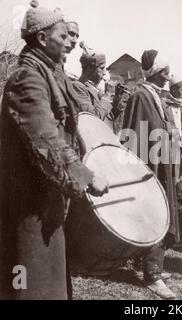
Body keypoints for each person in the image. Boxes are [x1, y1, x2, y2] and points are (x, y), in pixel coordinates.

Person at [0, 2, 108, 300]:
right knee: (28, 288)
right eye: (63, 37)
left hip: (46, 203)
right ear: (42, 39)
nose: (69, 44)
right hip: (28, 208)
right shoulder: (27, 79)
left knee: (48, 285)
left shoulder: (50, 74)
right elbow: (46, 139)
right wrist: (83, 176)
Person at [121, 49, 179, 299]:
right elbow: (133, 133)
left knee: (162, 212)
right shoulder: (141, 97)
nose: (169, 76)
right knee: (153, 213)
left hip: (162, 163)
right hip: (149, 166)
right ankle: (152, 275)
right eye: (165, 71)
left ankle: (152, 265)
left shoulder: (156, 97)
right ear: (155, 73)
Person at [72, 45, 112, 120]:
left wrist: (117, 101)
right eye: (102, 68)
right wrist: (107, 95)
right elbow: (93, 118)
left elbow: (107, 119)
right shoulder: (77, 87)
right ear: (89, 68)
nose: (104, 73)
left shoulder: (93, 88)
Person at [163, 74, 182, 183]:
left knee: (178, 175)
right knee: (168, 176)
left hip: (179, 146)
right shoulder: (164, 105)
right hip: (168, 146)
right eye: (181, 90)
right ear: (172, 89)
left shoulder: (181, 107)